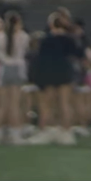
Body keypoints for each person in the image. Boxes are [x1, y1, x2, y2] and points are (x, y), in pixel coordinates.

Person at [28, 12, 83, 145]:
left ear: (51, 25)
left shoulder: (45, 39)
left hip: (49, 72)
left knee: (47, 104)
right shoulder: (69, 39)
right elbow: (78, 54)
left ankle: (46, 131)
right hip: (64, 71)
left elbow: (39, 58)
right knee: (65, 103)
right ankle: (67, 133)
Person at [0, 11, 30, 145]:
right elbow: (24, 51)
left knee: (1, 104)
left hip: (3, 69)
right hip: (17, 69)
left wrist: (5, 58)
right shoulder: (23, 36)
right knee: (14, 104)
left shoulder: (0, 36)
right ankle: (15, 135)